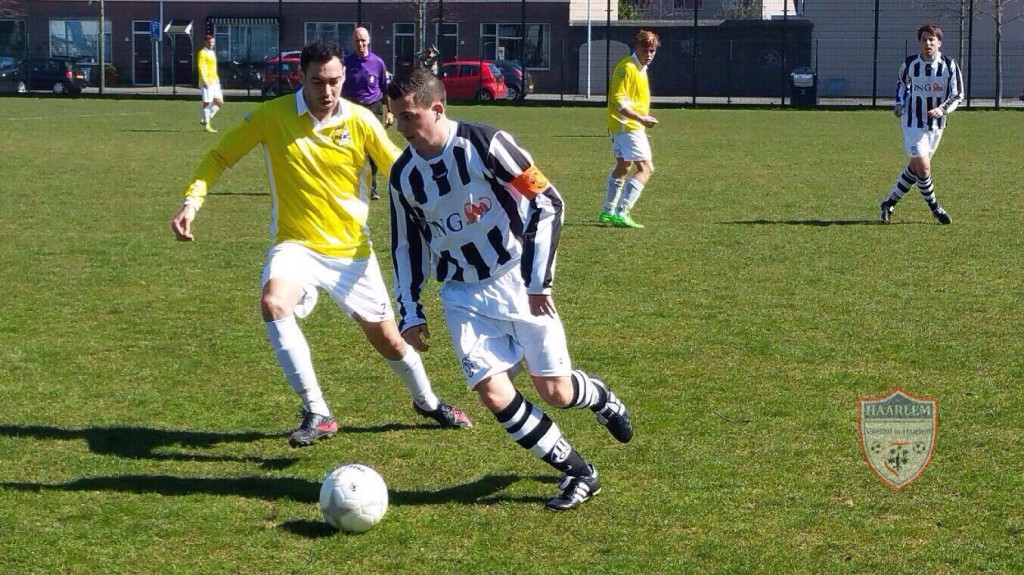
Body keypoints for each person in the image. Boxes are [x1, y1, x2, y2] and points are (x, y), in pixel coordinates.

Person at [170, 40, 472, 449]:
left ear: (344, 77)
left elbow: (402, 171)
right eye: (317, 82)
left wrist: (453, 203)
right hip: (295, 245)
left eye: (334, 81)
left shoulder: (362, 121)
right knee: (274, 303)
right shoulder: (271, 116)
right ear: (301, 78)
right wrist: (192, 202)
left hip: (352, 254)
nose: (327, 91)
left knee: (390, 342)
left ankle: (429, 401)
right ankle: (318, 410)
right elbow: (220, 157)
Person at [387, 67, 633, 511]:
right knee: (493, 392)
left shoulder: (486, 144)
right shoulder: (403, 175)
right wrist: (410, 310)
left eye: (408, 117)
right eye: (395, 117)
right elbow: (405, 245)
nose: (400, 128)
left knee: (554, 392)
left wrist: (539, 279)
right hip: (462, 295)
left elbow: (547, 200)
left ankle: (599, 396)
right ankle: (579, 472)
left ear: (437, 109)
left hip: (517, 281)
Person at [879, 24, 963, 225]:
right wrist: (899, 103)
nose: (928, 43)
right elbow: (901, 84)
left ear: (939, 42)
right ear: (919, 43)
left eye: (932, 39)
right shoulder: (910, 64)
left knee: (916, 169)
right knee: (924, 168)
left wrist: (941, 109)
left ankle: (888, 203)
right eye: (924, 39)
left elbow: (958, 94)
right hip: (912, 122)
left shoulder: (949, 65)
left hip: (936, 126)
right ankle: (935, 208)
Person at [599, 29, 660, 229]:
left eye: (652, 50)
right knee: (646, 168)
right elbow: (617, 100)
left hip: (629, 126)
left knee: (624, 166)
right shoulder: (626, 68)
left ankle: (608, 211)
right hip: (627, 125)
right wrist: (640, 119)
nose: (649, 55)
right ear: (636, 48)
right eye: (646, 50)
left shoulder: (641, 68)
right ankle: (622, 212)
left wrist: (640, 124)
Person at [342, 27, 394, 201]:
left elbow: (385, 90)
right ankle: (351, 184)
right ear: (352, 42)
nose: (360, 44)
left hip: (374, 108)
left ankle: (371, 187)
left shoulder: (378, 63)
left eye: (363, 40)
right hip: (352, 108)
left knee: (373, 148)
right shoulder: (346, 63)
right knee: (352, 147)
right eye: (357, 40)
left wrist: (390, 112)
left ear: (369, 41)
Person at [197, 35, 224, 133]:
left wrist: (217, 78)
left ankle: (206, 119)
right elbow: (201, 67)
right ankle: (207, 125)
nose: (211, 44)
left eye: (212, 42)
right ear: (205, 42)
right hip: (207, 81)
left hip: (214, 81)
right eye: (209, 42)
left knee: (220, 101)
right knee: (207, 103)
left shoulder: (212, 52)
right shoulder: (202, 53)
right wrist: (204, 80)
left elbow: (213, 67)